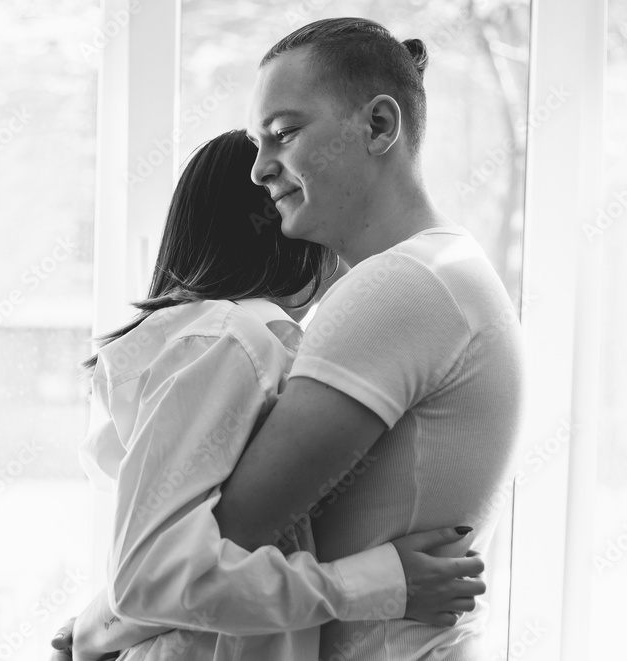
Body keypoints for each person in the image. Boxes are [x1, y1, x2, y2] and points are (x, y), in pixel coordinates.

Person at [53, 129, 486, 661]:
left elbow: (159, 569)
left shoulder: (227, 341)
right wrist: (382, 584)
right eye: (297, 201)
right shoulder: (229, 342)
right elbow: (152, 579)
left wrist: (98, 628)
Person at [211, 18, 526, 660]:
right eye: (255, 143)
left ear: (379, 126)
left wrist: (105, 620)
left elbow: (225, 539)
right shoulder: (440, 269)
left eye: (284, 133)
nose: (259, 169)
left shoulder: (403, 284)